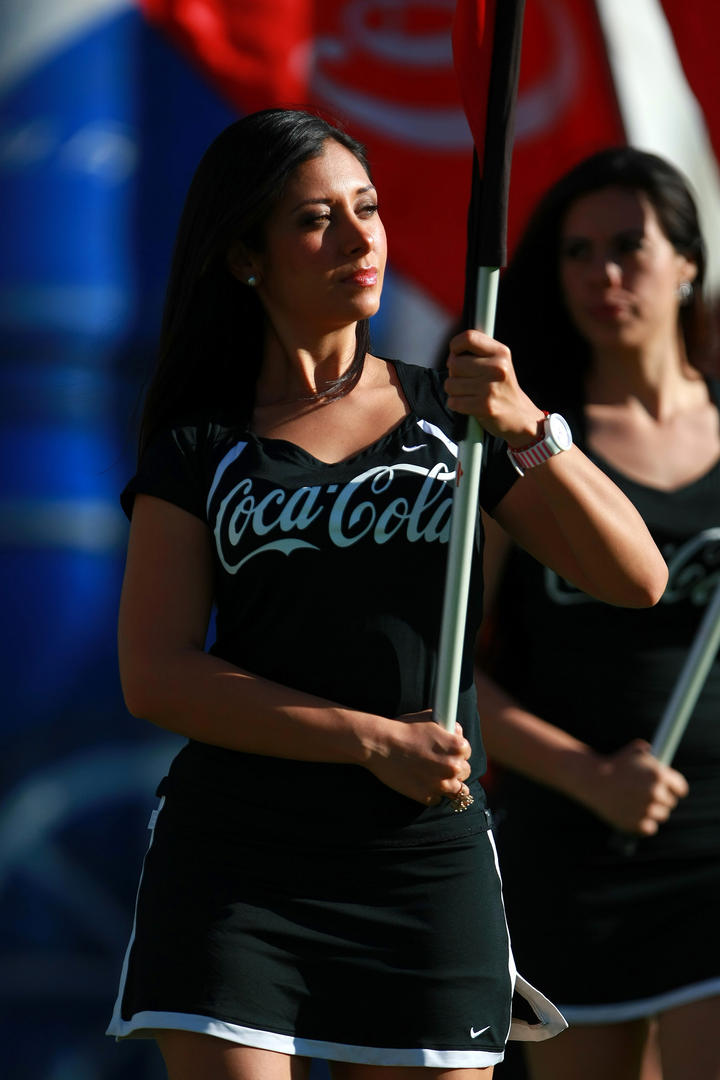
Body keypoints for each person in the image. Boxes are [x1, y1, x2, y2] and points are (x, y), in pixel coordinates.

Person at [105, 110, 668, 1080]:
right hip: (238, 870)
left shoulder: (458, 422)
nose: (361, 238)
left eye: (367, 209)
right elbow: (155, 676)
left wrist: (529, 423)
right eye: (316, 219)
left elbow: (636, 578)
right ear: (246, 256)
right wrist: (372, 738)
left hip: (423, 864)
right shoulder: (200, 443)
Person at [475, 147, 720, 1080]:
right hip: (569, 857)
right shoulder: (525, 447)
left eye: (629, 246)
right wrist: (583, 772)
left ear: (690, 260)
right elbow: (445, 669)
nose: (602, 274)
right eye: (578, 252)